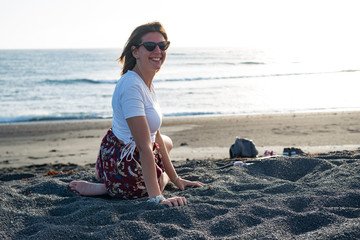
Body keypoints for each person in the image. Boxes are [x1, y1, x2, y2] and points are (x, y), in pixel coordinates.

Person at [69, 22, 203, 207]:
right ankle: (107, 187)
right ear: (135, 52)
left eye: (162, 45)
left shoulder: (146, 81)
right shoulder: (132, 86)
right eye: (150, 46)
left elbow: (154, 133)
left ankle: (108, 181)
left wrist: (177, 179)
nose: (158, 50)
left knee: (166, 141)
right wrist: (157, 197)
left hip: (116, 152)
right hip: (127, 160)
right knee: (158, 177)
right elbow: (144, 145)